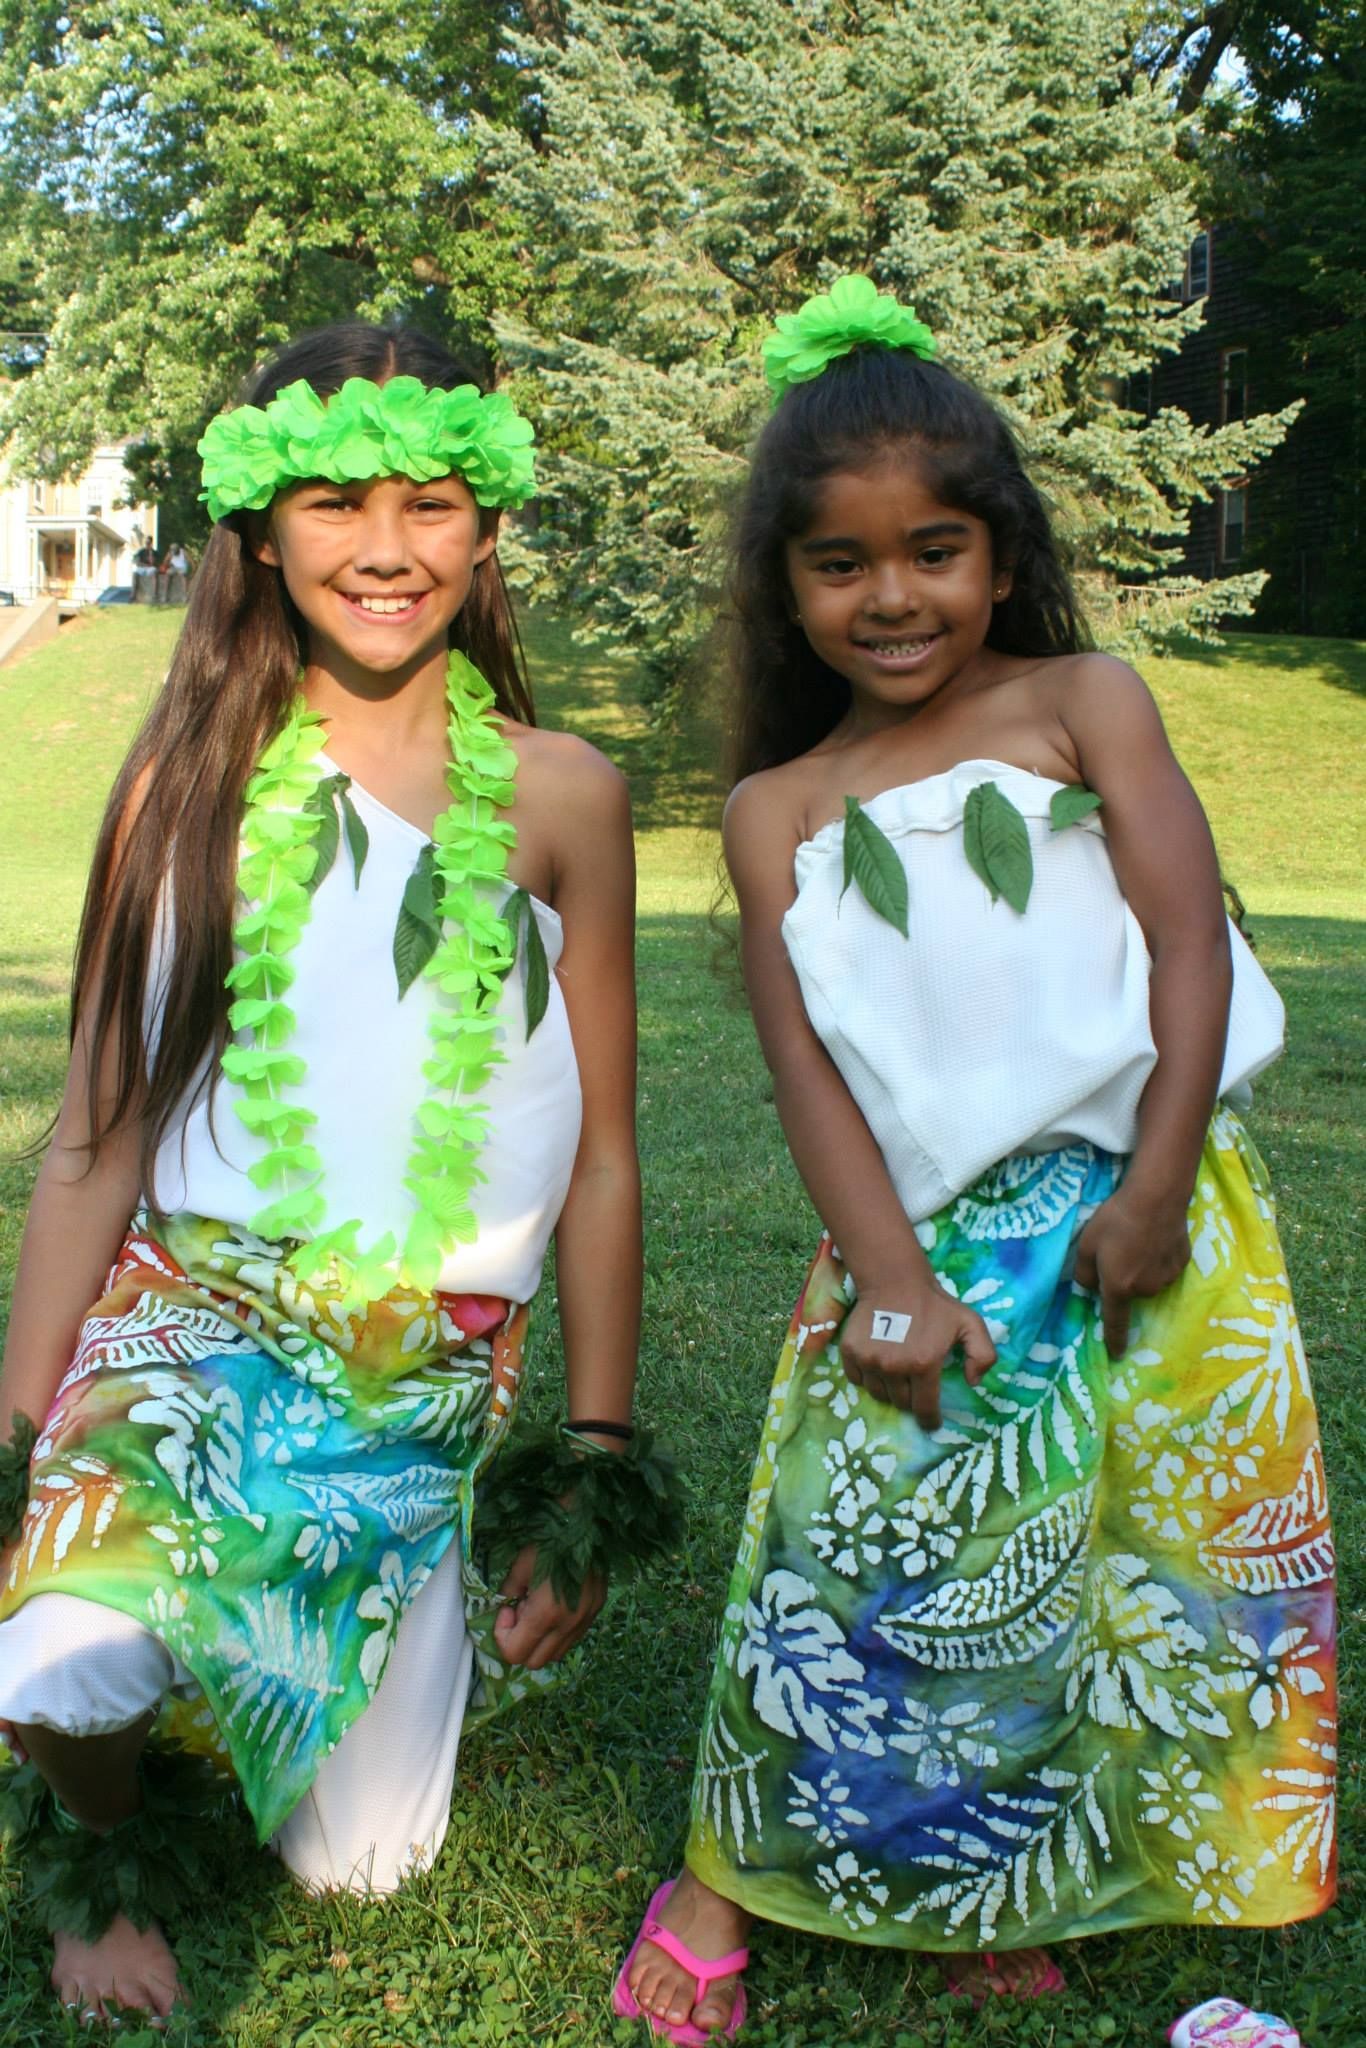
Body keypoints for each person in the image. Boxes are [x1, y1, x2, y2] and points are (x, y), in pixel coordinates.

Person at [616, 277, 1336, 2041]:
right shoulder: (777, 809)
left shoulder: (1086, 703)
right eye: (841, 562)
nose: (891, 595)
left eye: (932, 548)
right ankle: (720, 1871)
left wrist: (1157, 1187)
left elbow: (1184, 944)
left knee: (1132, 1561)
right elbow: (805, 1071)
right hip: (923, 1245)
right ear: (786, 588)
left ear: (998, 555)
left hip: (1157, 1213)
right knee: (859, 1558)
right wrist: (887, 1277)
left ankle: (995, 1876)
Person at [0, 321, 673, 2026]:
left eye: (430, 503)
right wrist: (16, 1439)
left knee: (367, 1862)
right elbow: (96, 1135)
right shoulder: (181, 782)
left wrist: (587, 1462)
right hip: (198, 1315)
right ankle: (93, 1829)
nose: (386, 548)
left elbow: (602, 1156)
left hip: (425, 1359)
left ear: (489, 525)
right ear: (260, 533)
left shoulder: (564, 796)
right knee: (61, 1661)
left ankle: (340, 1586)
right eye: (336, 504)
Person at [158, 540, 191, 604]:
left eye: (174, 551)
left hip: (182, 567)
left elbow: (190, 561)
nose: (173, 552)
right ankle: (165, 595)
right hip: (174, 567)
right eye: (172, 550)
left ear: (178, 549)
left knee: (183, 576)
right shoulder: (170, 553)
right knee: (167, 574)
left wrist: (193, 570)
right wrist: (168, 562)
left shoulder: (183, 552)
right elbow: (165, 562)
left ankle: (184, 596)